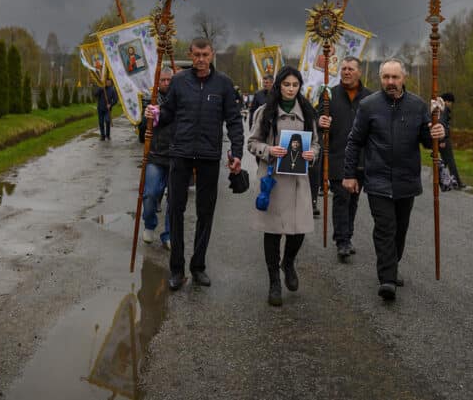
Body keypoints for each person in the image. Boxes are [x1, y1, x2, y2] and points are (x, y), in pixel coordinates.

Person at [342, 58, 445, 301]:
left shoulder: (418, 106)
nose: (390, 82)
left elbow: (427, 139)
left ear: (404, 78)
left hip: (406, 179)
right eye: (386, 77)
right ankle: (387, 279)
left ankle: (392, 265)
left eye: (395, 77)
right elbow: (354, 141)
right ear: (380, 79)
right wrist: (349, 175)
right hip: (377, 179)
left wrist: (440, 132)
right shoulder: (368, 105)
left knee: (400, 230)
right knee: (385, 228)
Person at [145, 38, 244, 291]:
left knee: (205, 212)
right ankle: (176, 269)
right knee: (175, 210)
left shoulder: (223, 84)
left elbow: (234, 120)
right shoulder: (179, 81)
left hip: (209, 155)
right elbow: (168, 113)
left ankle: (198, 266)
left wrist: (237, 151)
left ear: (212, 55)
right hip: (181, 153)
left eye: (205, 54)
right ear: (190, 54)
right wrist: (155, 114)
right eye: (196, 54)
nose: (200, 59)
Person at [247, 66, 320, 306]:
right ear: (279, 85)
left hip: (298, 180)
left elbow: (316, 145)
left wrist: (311, 154)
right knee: (273, 231)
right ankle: (274, 281)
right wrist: (268, 150)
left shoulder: (308, 112)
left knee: (298, 230)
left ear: (299, 87)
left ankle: (288, 262)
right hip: (273, 179)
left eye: (295, 85)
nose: (290, 89)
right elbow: (252, 142)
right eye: (286, 84)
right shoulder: (264, 112)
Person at [316, 57, 372, 262]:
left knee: (353, 199)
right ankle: (342, 241)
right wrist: (320, 121)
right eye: (344, 68)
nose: (346, 72)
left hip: (362, 158)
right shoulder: (328, 95)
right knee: (341, 197)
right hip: (338, 155)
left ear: (359, 72)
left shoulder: (369, 97)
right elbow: (318, 121)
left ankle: (347, 235)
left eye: (351, 69)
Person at [138, 67, 175, 249]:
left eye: (169, 80)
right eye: (163, 80)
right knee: (150, 193)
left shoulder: (180, 99)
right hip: (155, 156)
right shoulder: (150, 100)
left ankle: (169, 234)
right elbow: (141, 134)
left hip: (176, 156)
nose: (167, 83)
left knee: (174, 199)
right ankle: (149, 223)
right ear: (157, 82)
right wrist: (146, 119)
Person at [439, 92, 464, 189]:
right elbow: (442, 124)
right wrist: (443, 140)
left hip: (441, 139)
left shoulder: (439, 108)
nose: (451, 105)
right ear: (446, 101)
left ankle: (438, 179)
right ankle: (457, 183)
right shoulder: (444, 109)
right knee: (451, 161)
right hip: (444, 139)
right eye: (451, 102)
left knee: (444, 161)